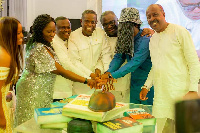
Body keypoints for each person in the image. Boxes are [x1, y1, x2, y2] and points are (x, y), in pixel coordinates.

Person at [15, 14, 96, 126]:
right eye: (49, 32)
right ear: (40, 31)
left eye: (53, 31)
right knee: (30, 123)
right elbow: (61, 70)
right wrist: (87, 80)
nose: (53, 34)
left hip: (41, 90)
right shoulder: (38, 48)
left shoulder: (46, 45)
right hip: (32, 90)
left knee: (41, 123)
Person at [140, 4, 200, 132]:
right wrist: (146, 86)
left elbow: (194, 62)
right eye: (148, 17)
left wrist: (193, 89)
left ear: (163, 14)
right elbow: (156, 66)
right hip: (161, 96)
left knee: (183, 128)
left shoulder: (180, 31)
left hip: (181, 94)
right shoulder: (153, 39)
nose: (152, 19)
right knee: (159, 129)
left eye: (155, 14)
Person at [101, 8, 154, 105]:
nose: (124, 30)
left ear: (136, 25)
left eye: (127, 26)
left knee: (148, 116)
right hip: (134, 85)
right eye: (122, 26)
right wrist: (108, 71)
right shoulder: (126, 38)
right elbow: (118, 57)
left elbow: (134, 62)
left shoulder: (145, 39)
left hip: (148, 85)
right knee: (133, 115)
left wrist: (111, 76)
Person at [68, 10, 112, 95]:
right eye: (86, 21)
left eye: (93, 22)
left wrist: (99, 70)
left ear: (96, 22)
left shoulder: (100, 33)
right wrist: (91, 75)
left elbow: (105, 55)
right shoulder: (73, 36)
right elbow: (75, 62)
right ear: (81, 21)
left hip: (99, 83)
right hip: (81, 84)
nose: (90, 25)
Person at [0, 17, 24, 132]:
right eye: (18, 33)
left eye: (21, 32)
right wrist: (1, 117)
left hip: (6, 103)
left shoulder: (7, 52)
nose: (22, 36)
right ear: (9, 34)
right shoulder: (4, 56)